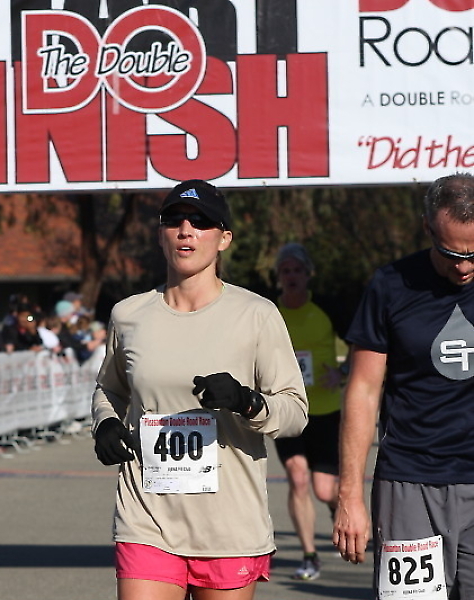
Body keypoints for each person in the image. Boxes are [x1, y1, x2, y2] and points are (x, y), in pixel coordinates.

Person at [92, 179, 308, 600]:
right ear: (161, 234)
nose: (186, 230)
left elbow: (296, 412)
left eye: (201, 221)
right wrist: (105, 424)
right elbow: (110, 389)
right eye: (174, 220)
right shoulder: (129, 315)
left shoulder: (257, 314)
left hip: (228, 523)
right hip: (147, 517)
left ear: (224, 238)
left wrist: (247, 401)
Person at [333, 173, 474, 599]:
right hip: (409, 484)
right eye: (451, 253)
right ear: (427, 227)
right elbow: (362, 391)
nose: (464, 267)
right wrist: (349, 496)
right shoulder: (390, 285)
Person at [273, 242, 346, 581]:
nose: (292, 277)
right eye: (286, 271)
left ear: (308, 274)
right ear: (278, 276)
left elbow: (363, 344)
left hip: (325, 410)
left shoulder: (327, 308)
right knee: (298, 477)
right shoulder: (270, 312)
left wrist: (342, 372)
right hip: (287, 410)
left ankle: (338, 511)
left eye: (297, 270)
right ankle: (309, 555)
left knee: (324, 489)